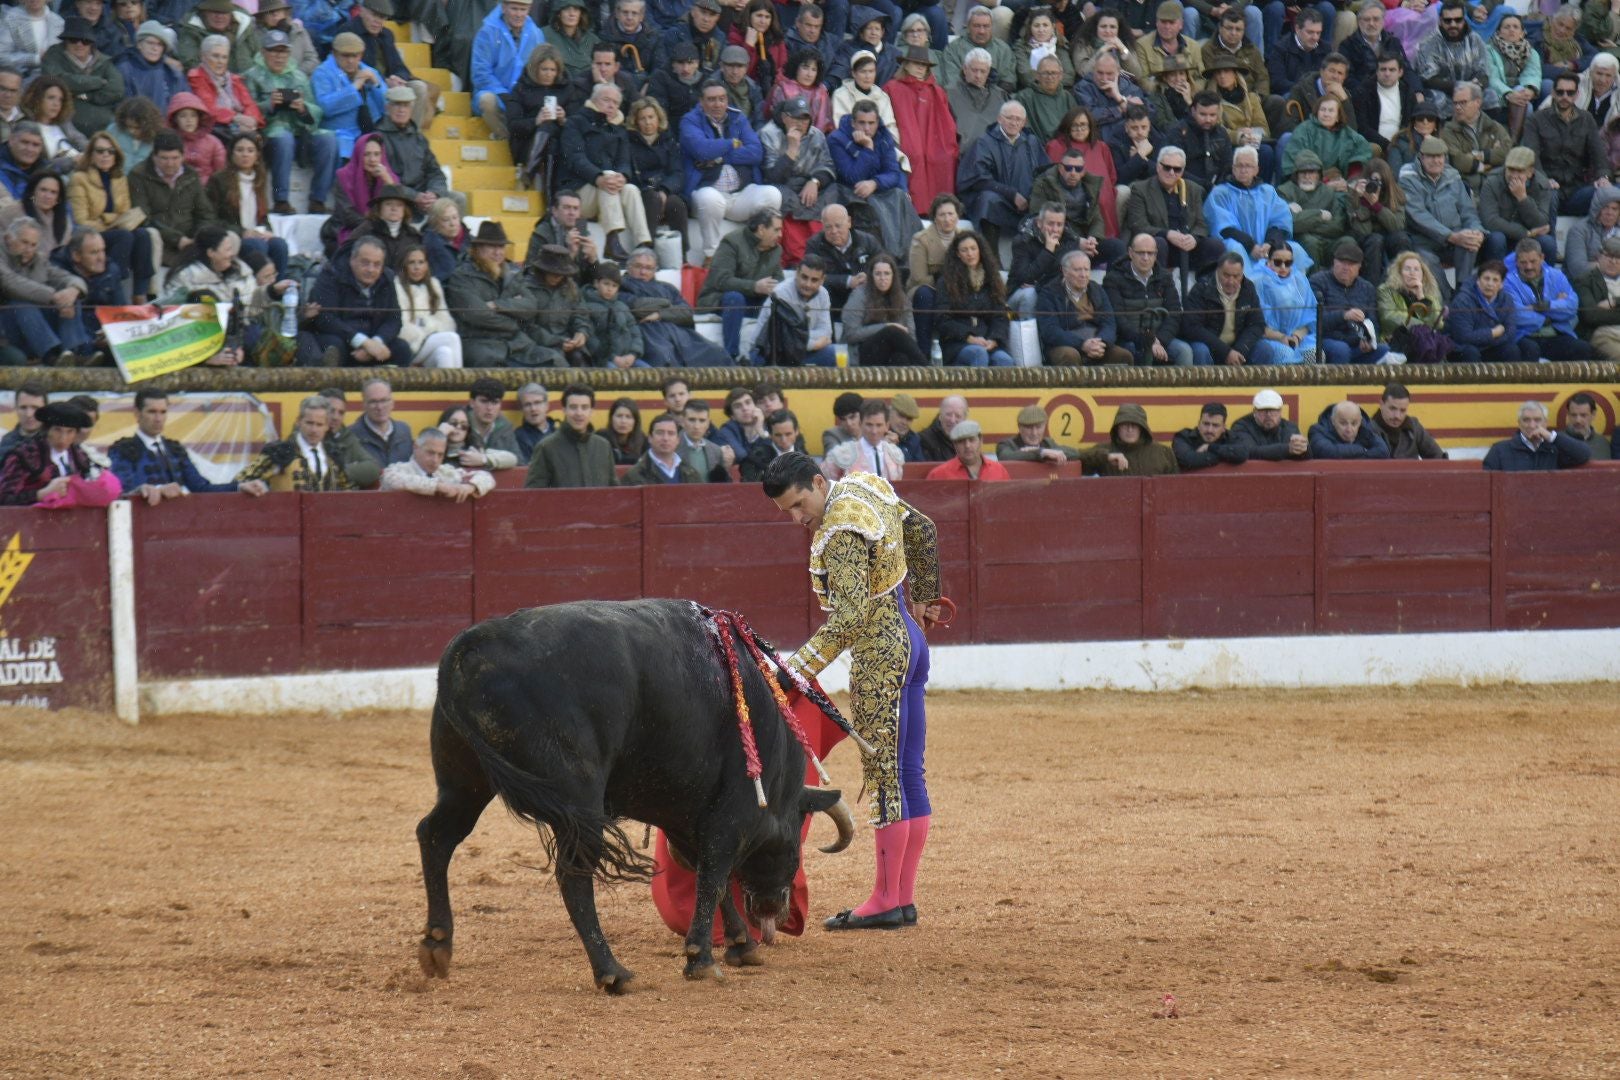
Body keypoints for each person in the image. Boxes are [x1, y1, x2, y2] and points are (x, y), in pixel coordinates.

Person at [763, 452, 940, 931]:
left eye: (800, 504)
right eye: (788, 513)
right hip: (910, 639)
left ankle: (887, 899)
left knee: (886, 777)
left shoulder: (839, 532)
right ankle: (899, 899)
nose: (799, 519)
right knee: (906, 772)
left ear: (819, 482)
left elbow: (849, 619)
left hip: (881, 655)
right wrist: (923, 596)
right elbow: (922, 529)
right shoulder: (863, 485)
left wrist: (791, 671)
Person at [680, 80, 781, 262]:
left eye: (722, 99)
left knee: (772, 194)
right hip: (707, 191)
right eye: (711, 100)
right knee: (709, 199)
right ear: (701, 102)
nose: (718, 104)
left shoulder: (737, 118)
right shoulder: (689, 120)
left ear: (727, 100)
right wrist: (732, 143)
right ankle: (711, 256)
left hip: (740, 193)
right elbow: (702, 150)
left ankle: (759, 250)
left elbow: (756, 152)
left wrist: (719, 157)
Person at [560, 82, 653, 261]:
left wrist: (623, 176)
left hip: (605, 191)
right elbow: (575, 158)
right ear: (593, 100)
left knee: (631, 189)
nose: (611, 106)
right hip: (578, 190)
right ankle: (612, 241)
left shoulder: (619, 128)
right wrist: (598, 177)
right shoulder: (576, 122)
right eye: (606, 100)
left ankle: (644, 244)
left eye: (615, 102)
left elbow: (625, 161)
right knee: (608, 179)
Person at [1400, 135, 1502, 297]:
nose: (1436, 161)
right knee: (1428, 260)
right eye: (1431, 157)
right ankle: (1447, 298)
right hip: (1423, 241)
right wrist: (1451, 236)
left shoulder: (1453, 176)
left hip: (1455, 238)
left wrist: (1476, 232)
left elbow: (1468, 211)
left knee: (1470, 243)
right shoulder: (1407, 178)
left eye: (1439, 156)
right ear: (1421, 157)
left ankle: (1463, 293)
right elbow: (1418, 216)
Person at [444, 221, 551, 368]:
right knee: (493, 364)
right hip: (479, 342)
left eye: (501, 246)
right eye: (492, 246)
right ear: (478, 248)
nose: (498, 252)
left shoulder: (513, 273)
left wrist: (497, 305)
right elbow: (477, 315)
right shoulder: (462, 276)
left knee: (554, 359)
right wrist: (514, 322)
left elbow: (531, 305)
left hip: (516, 343)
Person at [108, 388, 241, 500]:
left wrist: (239, 487)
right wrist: (157, 489)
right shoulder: (123, 450)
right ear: (137, 413)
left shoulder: (175, 449)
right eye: (152, 412)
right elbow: (122, 490)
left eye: (163, 412)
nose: (158, 419)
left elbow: (201, 488)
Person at [303, 235, 411, 366]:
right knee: (335, 346)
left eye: (377, 265)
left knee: (402, 348)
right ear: (352, 260)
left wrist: (377, 342)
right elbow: (326, 319)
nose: (371, 270)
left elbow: (394, 319)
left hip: (373, 339)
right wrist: (363, 342)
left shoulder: (387, 278)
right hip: (340, 337)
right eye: (365, 263)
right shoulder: (330, 274)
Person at [1123, 145, 1224, 283]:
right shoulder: (1140, 189)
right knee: (1158, 243)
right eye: (1167, 167)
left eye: (1177, 169)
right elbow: (1138, 225)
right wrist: (1167, 234)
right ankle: (1159, 287)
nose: (1171, 172)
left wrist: (1194, 238)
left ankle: (1206, 289)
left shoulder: (1194, 189)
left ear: (1183, 171)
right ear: (1158, 167)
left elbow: (1201, 224)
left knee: (1215, 245)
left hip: (1187, 245)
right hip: (1161, 246)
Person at [0, 217, 93, 366]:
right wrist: (54, 296)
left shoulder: (39, 260)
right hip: (6, 329)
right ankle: (51, 356)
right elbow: (10, 283)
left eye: (33, 245)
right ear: (9, 238)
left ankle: (73, 353)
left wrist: (73, 290)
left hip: (32, 328)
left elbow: (67, 278)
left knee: (70, 299)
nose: (28, 249)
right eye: (24, 242)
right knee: (22, 305)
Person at [955, 100, 1047, 250]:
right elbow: (977, 178)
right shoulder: (984, 143)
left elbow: (1044, 173)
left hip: (1029, 202)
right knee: (987, 201)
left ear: (1024, 122)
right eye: (1009, 117)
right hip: (1000, 201)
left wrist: (1032, 197)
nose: (1014, 122)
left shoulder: (1032, 142)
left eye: (1018, 119)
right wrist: (1011, 194)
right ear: (999, 119)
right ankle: (991, 256)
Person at [620, 246, 734, 366]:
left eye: (648, 268)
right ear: (629, 266)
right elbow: (638, 306)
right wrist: (667, 304)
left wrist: (660, 314)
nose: (643, 272)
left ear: (655, 271)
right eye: (638, 266)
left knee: (715, 352)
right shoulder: (622, 285)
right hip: (647, 332)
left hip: (678, 333)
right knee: (663, 356)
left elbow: (686, 311)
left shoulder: (667, 288)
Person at [758, 95, 837, 264]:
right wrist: (792, 149)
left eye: (805, 118)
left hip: (808, 182)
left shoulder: (817, 135)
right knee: (786, 198)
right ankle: (796, 256)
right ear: (785, 117)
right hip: (783, 184)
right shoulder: (768, 133)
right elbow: (771, 176)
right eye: (796, 118)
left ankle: (824, 253)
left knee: (833, 192)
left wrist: (815, 182)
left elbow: (828, 165)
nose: (801, 123)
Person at [696, 206, 783, 360]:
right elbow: (721, 280)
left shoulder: (776, 250)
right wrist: (754, 287)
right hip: (720, 300)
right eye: (776, 230)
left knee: (779, 302)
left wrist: (778, 290)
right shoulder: (732, 242)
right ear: (762, 229)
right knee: (735, 298)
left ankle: (762, 358)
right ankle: (731, 357)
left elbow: (779, 282)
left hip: (752, 301)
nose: (780, 235)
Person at [1524, 72, 1611, 216]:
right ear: (1553, 92)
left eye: (1570, 93)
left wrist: (1604, 178)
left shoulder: (1586, 119)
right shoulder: (1536, 120)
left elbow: (1599, 154)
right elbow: (1531, 155)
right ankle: (1548, 237)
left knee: (1608, 192)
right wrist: (1543, 180)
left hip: (1576, 188)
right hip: (1546, 186)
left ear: (1577, 95)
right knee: (1549, 195)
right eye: (1560, 92)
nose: (1565, 96)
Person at [205, 132, 291, 276]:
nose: (245, 155)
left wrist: (267, 231)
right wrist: (242, 232)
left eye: (250, 151)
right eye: (240, 150)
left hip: (255, 234)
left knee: (279, 244)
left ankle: (277, 290)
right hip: (233, 235)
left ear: (257, 156)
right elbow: (211, 218)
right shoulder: (218, 180)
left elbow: (262, 216)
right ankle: (256, 290)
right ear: (231, 154)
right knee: (257, 245)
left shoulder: (259, 180)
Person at [235, 395, 357, 494]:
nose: (314, 430)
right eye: (309, 423)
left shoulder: (333, 453)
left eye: (319, 425)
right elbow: (241, 480)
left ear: (327, 426)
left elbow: (348, 489)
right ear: (299, 422)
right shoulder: (280, 452)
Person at [885, 45, 955, 216]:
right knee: (913, 155)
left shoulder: (936, 91)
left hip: (932, 141)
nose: (919, 67)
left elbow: (946, 123)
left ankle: (938, 211)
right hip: (902, 141)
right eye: (915, 63)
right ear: (906, 65)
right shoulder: (892, 88)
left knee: (942, 158)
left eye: (923, 65)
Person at [1503, 239, 1594, 363]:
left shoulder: (1557, 275)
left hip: (1557, 333)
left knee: (1583, 348)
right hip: (1525, 336)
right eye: (1523, 262)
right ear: (1516, 262)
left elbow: (1572, 307)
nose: (1528, 267)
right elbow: (1516, 315)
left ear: (1542, 258)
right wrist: (1550, 315)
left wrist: (1543, 306)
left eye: (1533, 261)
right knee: (1530, 349)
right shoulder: (1508, 282)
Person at [1037, 249, 1131, 365]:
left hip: (1097, 342)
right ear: (1064, 271)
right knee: (1069, 356)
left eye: (1086, 269)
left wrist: (1101, 342)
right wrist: (1082, 344)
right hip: (1065, 344)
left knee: (1123, 356)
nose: (1083, 275)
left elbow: (1109, 323)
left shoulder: (1097, 289)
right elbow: (1050, 331)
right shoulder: (1049, 293)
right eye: (1077, 270)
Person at [0, 401, 106, 504]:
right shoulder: (24, 455)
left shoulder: (80, 456)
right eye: (57, 430)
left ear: (76, 434)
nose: (63, 438)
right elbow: (4, 498)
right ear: (47, 430)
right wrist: (40, 494)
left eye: (70, 432)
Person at [625, 97, 689, 263]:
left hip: (664, 190)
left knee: (676, 203)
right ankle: (647, 253)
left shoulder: (668, 141)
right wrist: (654, 191)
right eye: (643, 118)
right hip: (642, 190)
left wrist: (665, 190)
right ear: (636, 121)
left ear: (658, 118)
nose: (647, 122)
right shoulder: (629, 142)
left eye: (651, 117)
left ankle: (682, 256)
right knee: (652, 199)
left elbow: (678, 172)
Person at [371, 84, 450, 217]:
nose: (401, 110)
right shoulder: (378, 138)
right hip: (396, 196)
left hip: (424, 196)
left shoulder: (419, 138)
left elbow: (435, 172)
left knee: (458, 199)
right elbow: (384, 178)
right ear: (387, 107)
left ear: (412, 109)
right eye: (397, 104)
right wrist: (414, 196)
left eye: (406, 105)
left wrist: (434, 193)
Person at [935, 230, 1012, 366]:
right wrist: (969, 338)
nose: (970, 254)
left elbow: (1000, 317)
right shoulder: (946, 282)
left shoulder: (993, 280)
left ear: (980, 250)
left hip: (988, 341)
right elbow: (943, 320)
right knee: (978, 354)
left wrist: (993, 340)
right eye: (964, 250)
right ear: (958, 254)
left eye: (973, 249)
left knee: (1004, 360)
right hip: (958, 343)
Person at [1180, 251, 1270, 366]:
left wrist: (1240, 349)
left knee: (1265, 349)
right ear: (1217, 271)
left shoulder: (1248, 288)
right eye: (1226, 275)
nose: (1231, 281)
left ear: (1242, 274)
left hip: (1238, 346)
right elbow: (1192, 327)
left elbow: (1257, 324)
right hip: (1211, 346)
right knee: (1200, 350)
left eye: (1236, 276)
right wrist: (1226, 352)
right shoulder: (1201, 289)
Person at [472, 0, 545, 140]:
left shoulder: (536, 34)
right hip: (497, 95)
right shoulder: (486, 32)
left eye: (523, 9)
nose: (519, 14)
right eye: (514, 9)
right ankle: (506, 139)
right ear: (503, 8)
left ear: (529, 9)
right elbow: (481, 74)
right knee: (486, 100)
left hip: (524, 96)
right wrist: (504, 95)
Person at [744, 254, 836, 365]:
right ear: (797, 273)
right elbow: (783, 341)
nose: (808, 284)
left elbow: (825, 332)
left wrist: (799, 338)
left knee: (832, 353)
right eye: (804, 277)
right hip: (768, 352)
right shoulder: (781, 293)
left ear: (822, 280)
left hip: (799, 352)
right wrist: (814, 344)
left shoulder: (823, 294)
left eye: (814, 280)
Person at [1414, 0, 1496, 120]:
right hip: (1442, 91)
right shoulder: (1429, 42)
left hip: (1471, 90)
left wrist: (1473, 87)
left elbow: (1483, 73)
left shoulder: (1475, 40)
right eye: (1448, 21)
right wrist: (1460, 88)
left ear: (1464, 20)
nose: (1453, 24)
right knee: (1438, 99)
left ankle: (1484, 134)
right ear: (1440, 21)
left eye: (1458, 20)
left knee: (1491, 95)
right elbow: (1428, 78)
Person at [1478, 146, 1558, 267]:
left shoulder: (1542, 185)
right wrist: (1526, 233)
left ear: (1530, 172)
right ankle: (1497, 279)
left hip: (1529, 239)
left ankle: (1546, 282)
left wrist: (1523, 198)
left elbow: (1541, 223)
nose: (1514, 175)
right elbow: (1490, 221)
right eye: (1510, 170)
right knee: (1496, 238)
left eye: (1520, 171)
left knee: (1548, 243)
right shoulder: (1491, 182)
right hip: (1505, 235)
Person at [525, 383, 616, 488]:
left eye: (584, 407)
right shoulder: (546, 447)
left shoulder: (603, 446)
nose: (579, 413)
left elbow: (613, 490)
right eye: (573, 407)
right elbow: (533, 494)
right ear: (564, 410)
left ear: (591, 411)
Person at [1311, 240, 1388, 365]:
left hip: (1356, 343)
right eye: (1342, 262)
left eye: (1351, 264)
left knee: (1385, 350)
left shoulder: (1367, 288)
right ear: (1334, 262)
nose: (1346, 268)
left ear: (1359, 267)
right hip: (1326, 340)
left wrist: (1368, 339)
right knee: (1341, 350)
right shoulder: (1318, 281)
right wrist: (1343, 316)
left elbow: (1373, 321)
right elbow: (1315, 320)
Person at [1446, 259, 1538, 364]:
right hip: (1463, 348)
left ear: (1501, 284)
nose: (1490, 284)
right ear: (1478, 281)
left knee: (1512, 350)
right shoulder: (1463, 301)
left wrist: (1488, 340)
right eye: (1486, 278)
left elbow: (1510, 331)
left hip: (1490, 346)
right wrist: (1493, 333)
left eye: (1495, 280)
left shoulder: (1506, 299)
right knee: (1471, 353)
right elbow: (1464, 337)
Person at [313, 32, 387, 162]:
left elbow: (387, 107)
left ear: (361, 55)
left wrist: (377, 85)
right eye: (345, 55)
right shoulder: (322, 73)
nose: (351, 60)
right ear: (335, 54)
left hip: (370, 132)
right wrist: (354, 88)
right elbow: (324, 107)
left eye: (355, 55)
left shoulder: (369, 72)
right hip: (338, 133)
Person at [841, 251, 923, 365]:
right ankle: (927, 369)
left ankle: (920, 378)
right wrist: (886, 327)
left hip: (890, 352)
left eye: (887, 273)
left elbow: (911, 336)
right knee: (892, 331)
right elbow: (850, 334)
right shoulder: (859, 295)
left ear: (893, 276)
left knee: (901, 358)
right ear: (871, 276)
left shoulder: (901, 298)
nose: (882, 278)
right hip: (863, 353)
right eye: (878, 274)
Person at [393, 244, 462, 368]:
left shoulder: (434, 285)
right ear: (404, 265)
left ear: (427, 265)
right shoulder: (397, 286)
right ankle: (463, 385)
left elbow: (447, 321)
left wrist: (426, 325)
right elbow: (402, 326)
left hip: (431, 342)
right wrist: (431, 330)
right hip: (412, 345)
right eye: (411, 263)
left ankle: (450, 387)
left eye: (421, 262)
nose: (416, 267)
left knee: (445, 353)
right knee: (452, 338)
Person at [380, 426, 495, 500]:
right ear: (415, 447)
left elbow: (486, 477)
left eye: (440, 455)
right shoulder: (399, 469)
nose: (435, 460)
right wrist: (436, 486)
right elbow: (389, 479)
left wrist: (470, 486)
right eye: (430, 453)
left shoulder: (445, 472)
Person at [1482, 400, 1593, 471]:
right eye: (1526, 420)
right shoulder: (1500, 450)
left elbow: (1584, 454)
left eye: (1537, 420)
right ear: (1519, 423)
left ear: (1545, 423)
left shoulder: (1555, 449)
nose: (1532, 425)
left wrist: (1551, 437)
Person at [823, 398, 905, 480]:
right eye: (869, 425)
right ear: (860, 424)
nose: (874, 431)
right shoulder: (842, 453)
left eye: (879, 425)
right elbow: (827, 484)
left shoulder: (894, 454)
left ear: (887, 426)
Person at [583, 263, 646, 368]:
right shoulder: (587, 307)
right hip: (603, 360)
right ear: (596, 283)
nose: (610, 289)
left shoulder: (622, 307)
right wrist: (612, 358)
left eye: (614, 286)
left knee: (649, 372)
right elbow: (591, 339)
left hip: (629, 358)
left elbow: (635, 333)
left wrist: (633, 354)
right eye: (606, 284)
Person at [116, 21, 186, 115]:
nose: (155, 48)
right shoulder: (124, 69)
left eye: (159, 44)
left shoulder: (172, 72)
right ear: (139, 44)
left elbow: (184, 103)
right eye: (150, 43)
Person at [946, 47, 1009, 148]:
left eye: (983, 71)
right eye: (974, 70)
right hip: (961, 155)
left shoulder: (1000, 95)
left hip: (994, 155)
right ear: (965, 69)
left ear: (988, 72)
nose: (978, 76)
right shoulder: (949, 93)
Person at [621, 411, 702, 485]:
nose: (665, 438)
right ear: (650, 438)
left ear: (678, 440)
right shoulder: (633, 476)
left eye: (671, 433)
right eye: (660, 433)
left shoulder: (691, 474)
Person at [1371, 382, 1447, 459]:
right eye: (1392, 409)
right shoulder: (1368, 430)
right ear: (1381, 404)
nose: (1397, 416)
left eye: (1402, 410)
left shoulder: (1414, 427)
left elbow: (1439, 458)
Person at [1574, 237, 1620, 363]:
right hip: (1603, 334)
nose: (1613, 261)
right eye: (1609, 256)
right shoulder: (1585, 280)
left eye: (1618, 257)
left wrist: (1614, 302)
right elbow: (1591, 315)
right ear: (1598, 256)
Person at [1230, 387, 1309, 460]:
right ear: (1254, 412)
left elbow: (1306, 457)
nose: (1268, 415)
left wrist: (1303, 448)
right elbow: (1248, 451)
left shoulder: (1289, 427)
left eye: (1273, 410)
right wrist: (1286, 449)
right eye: (1263, 411)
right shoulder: (1241, 426)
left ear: (1280, 412)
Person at [1171, 402, 1250, 470]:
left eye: (1215, 425)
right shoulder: (1184, 437)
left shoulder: (1231, 437)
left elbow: (1243, 453)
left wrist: (1210, 447)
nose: (1209, 430)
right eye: (1206, 424)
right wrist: (1225, 456)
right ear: (1199, 424)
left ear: (1223, 428)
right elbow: (1188, 460)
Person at [926, 418, 1010, 479]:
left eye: (971, 440)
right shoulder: (938, 475)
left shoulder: (999, 470)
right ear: (954, 445)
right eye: (961, 441)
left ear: (980, 440)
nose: (967, 445)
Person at [1308, 400, 1391, 459]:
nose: (1349, 429)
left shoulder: (1366, 429)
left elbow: (1383, 451)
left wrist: (1349, 453)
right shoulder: (1317, 430)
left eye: (1354, 423)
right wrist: (1363, 450)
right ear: (1332, 421)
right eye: (1343, 423)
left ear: (1360, 421)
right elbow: (1329, 452)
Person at [997, 403, 1078, 462]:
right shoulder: (1007, 444)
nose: (1034, 433)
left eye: (1038, 427)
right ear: (1019, 427)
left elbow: (1075, 453)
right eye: (1029, 427)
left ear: (1044, 426)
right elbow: (1005, 457)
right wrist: (1041, 452)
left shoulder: (1048, 443)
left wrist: (1043, 450)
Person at [512, 382, 554, 464]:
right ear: (521, 409)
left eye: (537, 403)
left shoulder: (559, 433)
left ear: (547, 405)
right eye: (527, 405)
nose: (533, 409)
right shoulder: (518, 437)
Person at [1562, 392, 1612, 461]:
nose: (1578, 420)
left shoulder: (1603, 443)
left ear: (1593, 414)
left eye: (1583, 415)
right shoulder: (1558, 441)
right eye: (1573, 415)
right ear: (1568, 415)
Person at [917, 394, 966, 461]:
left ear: (964, 419)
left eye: (958, 416)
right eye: (948, 414)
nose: (952, 420)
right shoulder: (924, 440)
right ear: (940, 416)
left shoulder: (970, 441)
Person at [603, 396, 647, 464]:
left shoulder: (643, 440)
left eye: (628, 417)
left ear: (635, 421)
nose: (623, 421)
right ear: (611, 418)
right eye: (619, 416)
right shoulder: (602, 438)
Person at [821, 390, 862, 456]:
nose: (849, 423)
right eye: (843, 419)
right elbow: (833, 458)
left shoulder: (873, 431)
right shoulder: (832, 435)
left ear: (862, 414)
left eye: (852, 417)